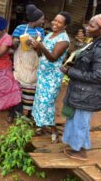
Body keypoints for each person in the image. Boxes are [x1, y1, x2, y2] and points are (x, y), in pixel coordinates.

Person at [61, 14, 101, 161]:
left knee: (80, 121)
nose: (87, 28)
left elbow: (99, 75)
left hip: (89, 94)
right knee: (78, 120)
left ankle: (80, 151)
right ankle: (78, 145)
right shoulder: (96, 42)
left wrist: (70, 72)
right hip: (84, 91)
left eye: (92, 26)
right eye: (88, 24)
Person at [30, 12, 71, 143]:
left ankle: (54, 131)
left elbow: (53, 57)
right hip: (43, 74)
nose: (55, 23)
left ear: (65, 26)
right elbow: (41, 54)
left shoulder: (64, 40)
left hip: (53, 77)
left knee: (47, 104)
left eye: (59, 22)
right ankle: (41, 127)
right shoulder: (50, 34)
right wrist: (36, 46)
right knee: (39, 102)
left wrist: (41, 45)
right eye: (55, 20)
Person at [12, 4, 45, 117]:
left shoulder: (41, 31)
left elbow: (42, 48)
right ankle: (15, 112)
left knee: (30, 89)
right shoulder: (20, 28)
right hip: (21, 61)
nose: (43, 21)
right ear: (35, 19)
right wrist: (19, 41)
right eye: (41, 19)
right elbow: (13, 44)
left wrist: (37, 45)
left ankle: (27, 112)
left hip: (34, 62)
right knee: (18, 87)